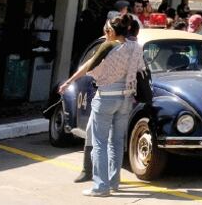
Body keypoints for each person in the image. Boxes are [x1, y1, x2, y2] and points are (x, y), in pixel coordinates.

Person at [59, 16, 143, 197]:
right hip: (126, 98)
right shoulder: (136, 47)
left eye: (106, 30)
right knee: (117, 142)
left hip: (105, 98)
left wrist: (69, 82)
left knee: (99, 143)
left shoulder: (107, 46)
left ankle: (100, 186)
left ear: (112, 31)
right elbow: (140, 68)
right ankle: (114, 182)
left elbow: (87, 67)